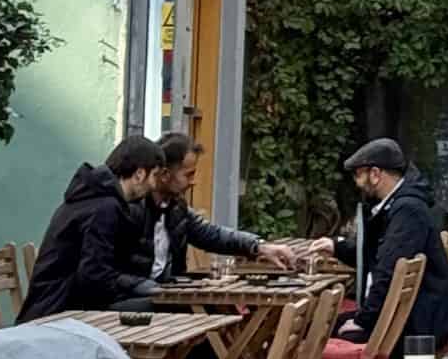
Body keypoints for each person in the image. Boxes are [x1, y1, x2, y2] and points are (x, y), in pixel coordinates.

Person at [17, 136, 165, 320]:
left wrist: (134, 285)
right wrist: (134, 286)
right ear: (139, 174)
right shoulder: (104, 208)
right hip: (59, 313)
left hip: (58, 307)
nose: (154, 185)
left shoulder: (93, 198)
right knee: (164, 309)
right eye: (155, 176)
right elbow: (94, 278)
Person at [331, 138, 448, 344]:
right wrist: (337, 247)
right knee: (324, 325)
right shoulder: (399, 205)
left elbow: (387, 270)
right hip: (413, 315)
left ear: (375, 174)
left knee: (315, 335)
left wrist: (363, 321)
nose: (357, 183)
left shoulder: (407, 210)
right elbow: (376, 254)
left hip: (419, 325)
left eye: (358, 175)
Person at [145, 133, 298, 281]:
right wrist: (157, 292)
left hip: (167, 291)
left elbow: (212, 235)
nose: (193, 182)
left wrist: (259, 246)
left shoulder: (177, 208)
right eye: (188, 175)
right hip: (136, 298)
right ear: (165, 174)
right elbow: (124, 277)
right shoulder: (134, 210)